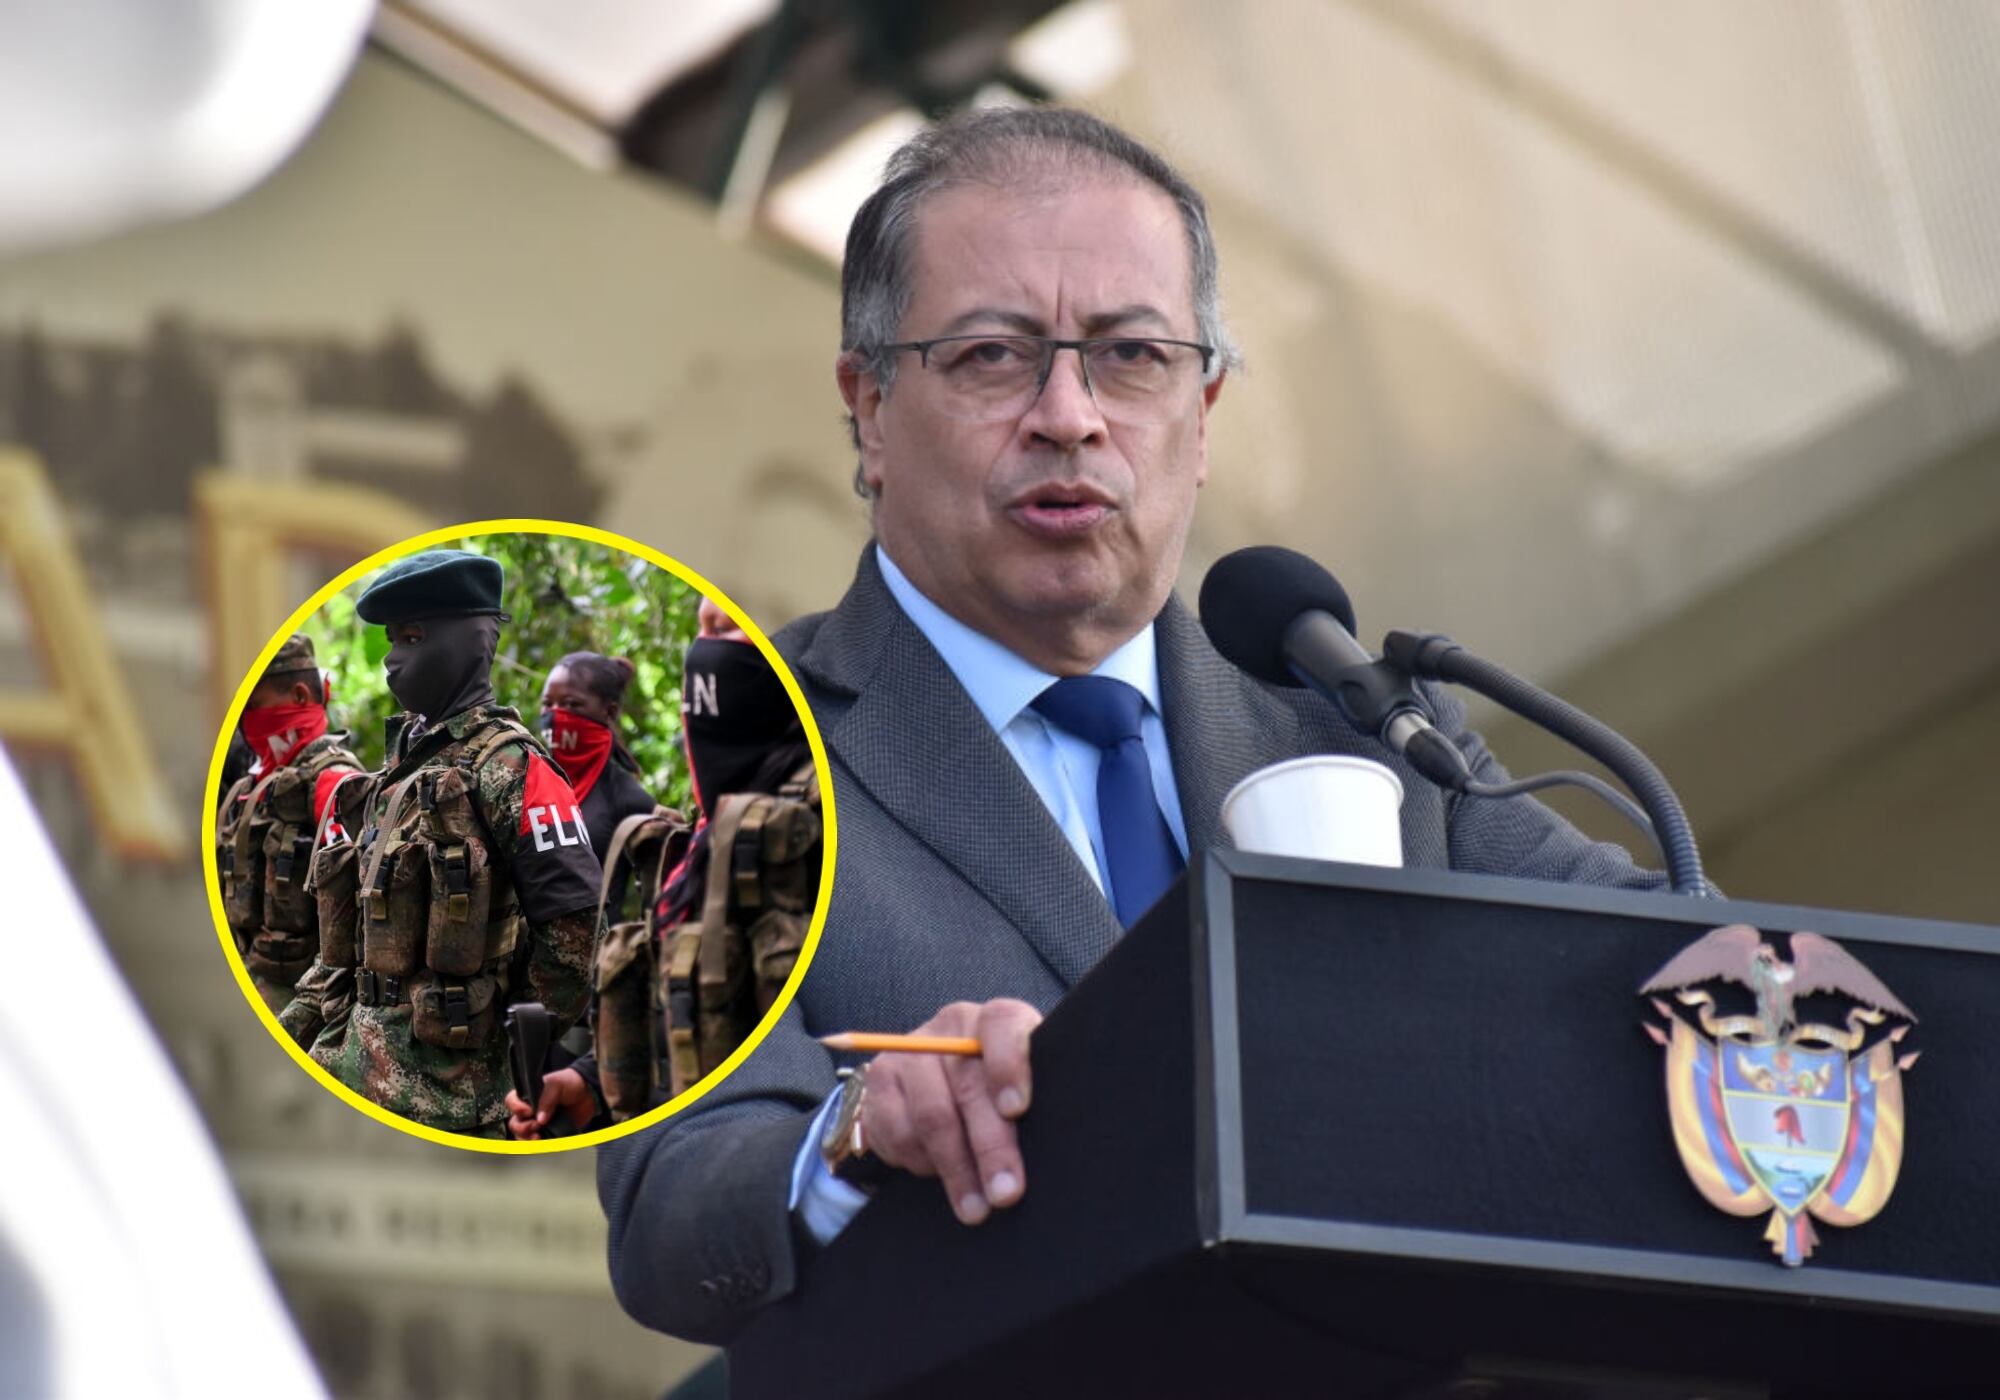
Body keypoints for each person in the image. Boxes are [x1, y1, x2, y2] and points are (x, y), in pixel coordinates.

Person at [598, 107, 1678, 1343]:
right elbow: (672, 1201)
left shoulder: (1357, 717)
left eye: (1131, 356)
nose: (1070, 414)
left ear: (1203, 410)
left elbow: (1654, 979)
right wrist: (858, 1132)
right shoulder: (728, 757)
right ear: (869, 407)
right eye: (994, 356)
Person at [278, 549, 603, 1136]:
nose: (394, 662)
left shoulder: (511, 768)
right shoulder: (400, 771)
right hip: (351, 1069)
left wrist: (489, 1049)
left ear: (467, 642)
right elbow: (353, 942)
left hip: (448, 1107)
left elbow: (575, 940)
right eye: (392, 642)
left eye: (412, 638)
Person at [506, 607, 817, 1139]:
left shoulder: (818, 816)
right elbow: (675, 990)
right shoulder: (708, 830)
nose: (710, 638)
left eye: (731, 626)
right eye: (704, 626)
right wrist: (592, 1085)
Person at [215, 633, 367, 1013]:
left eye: (252, 705)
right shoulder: (250, 786)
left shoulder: (333, 781)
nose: (243, 721)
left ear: (300, 696)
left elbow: (360, 930)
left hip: (302, 1006)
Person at [539, 652, 658, 917]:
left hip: (600, 953)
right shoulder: (528, 783)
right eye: (548, 704)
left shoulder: (629, 799)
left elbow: (662, 899)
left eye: (571, 704)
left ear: (609, 712)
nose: (556, 715)